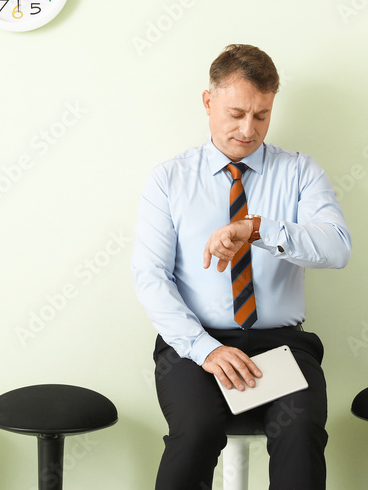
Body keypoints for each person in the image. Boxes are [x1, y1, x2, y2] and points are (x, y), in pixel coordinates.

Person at [131, 44, 352, 489]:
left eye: (262, 115)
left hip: (279, 346)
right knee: (194, 433)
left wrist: (258, 229)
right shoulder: (169, 179)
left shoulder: (300, 173)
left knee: (300, 430)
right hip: (194, 348)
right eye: (236, 113)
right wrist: (205, 349)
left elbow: (337, 248)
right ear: (208, 101)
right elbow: (151, 278)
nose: (248, 129)